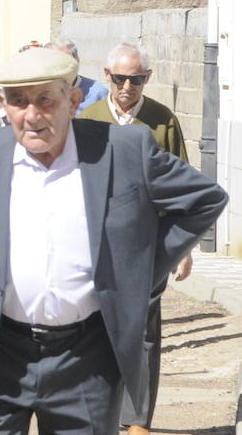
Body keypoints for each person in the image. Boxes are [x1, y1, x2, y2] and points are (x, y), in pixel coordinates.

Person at [0, 47, 228, 435]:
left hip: (86, 360)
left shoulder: (125, 149)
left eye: (45, 100)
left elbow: (205, 199)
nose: (31, 116)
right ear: (3, 104)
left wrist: (143, 269)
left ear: (74, 101)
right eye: (18, 102)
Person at [79, 41, 192, 430]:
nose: (128, 87)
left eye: (137, 79)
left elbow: (182, 185)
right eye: (121, 78)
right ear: (108, 76)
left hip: (147, 246)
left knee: (142, 333)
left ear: (147, 78)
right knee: (94, 330)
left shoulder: (163, 121)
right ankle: (99, 412)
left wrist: (184, 246)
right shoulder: (89, 120)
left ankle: (138, 418)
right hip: (96, 243)